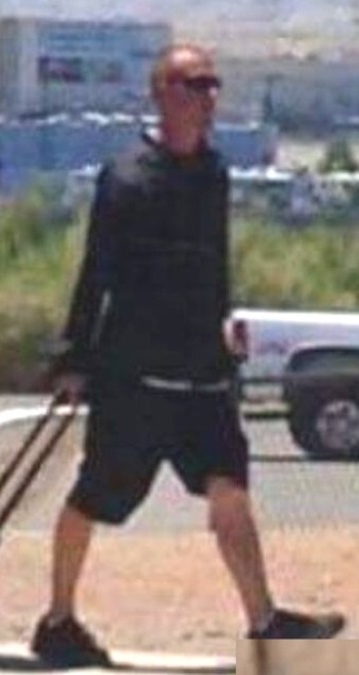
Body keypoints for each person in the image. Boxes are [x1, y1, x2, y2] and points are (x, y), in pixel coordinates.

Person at [32, 44, 345, 667]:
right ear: (162, 93)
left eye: (212, 84)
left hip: (202, 373)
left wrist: (224, 324)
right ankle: (59, 619)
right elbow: (98, 272)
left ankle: (264, 621)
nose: (208, 96)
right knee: (96, 498)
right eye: (194, 84)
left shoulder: (214, 173)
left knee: (229, 487)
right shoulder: (126, 178)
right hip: (135, 378)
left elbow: (213, 263)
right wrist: (74, 358)